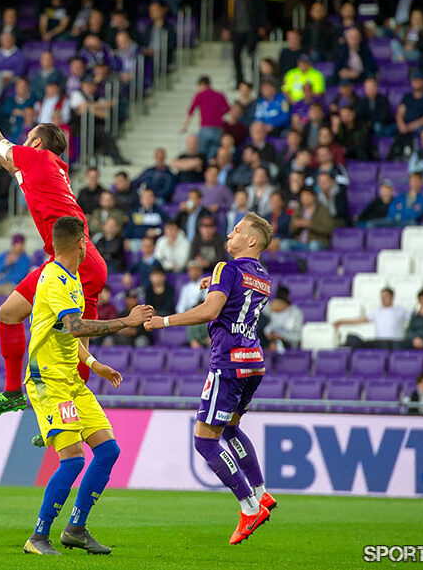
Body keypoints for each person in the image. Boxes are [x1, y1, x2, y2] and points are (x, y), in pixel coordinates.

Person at [0, 92, 110, 419]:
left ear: (36, 144)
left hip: (74, 262)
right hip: (80, 259)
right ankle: (43, 405)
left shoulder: (37, 159)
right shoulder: (43, 167)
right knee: (17, 316)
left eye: (28, 137)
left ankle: (46, 409)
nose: (22, 142)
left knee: (53, 331)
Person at [21, 216, 153, 555]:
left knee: (108, 451)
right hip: (48, 382)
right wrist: (126, 321)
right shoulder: (53, 279)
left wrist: (94, 364)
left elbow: (66, 332)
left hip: (71, 381)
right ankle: (38, 537)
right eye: (88, 242)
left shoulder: (73, 278)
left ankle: (76, 528)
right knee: (73, 460)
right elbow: (76, 326)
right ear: (81, 244)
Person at [144, 213, 276, 544]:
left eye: (237, 231)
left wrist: (164, 322)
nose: (229, 234)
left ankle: (249, 507)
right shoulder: (262, 276)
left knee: (204, 441)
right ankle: (261, 493)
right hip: (254, 361)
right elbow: (236, 296)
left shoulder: (226, 268)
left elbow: (209, 312)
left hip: (228, 362)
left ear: (252, 241)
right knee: (230, 428)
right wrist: (213, 282)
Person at [222, 0, 267, 87]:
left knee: (251, 55)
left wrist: (262, 25)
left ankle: (253, 80)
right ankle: (239, 81)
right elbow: (226, 12)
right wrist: (226, 28)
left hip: (250, 28)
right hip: (236, 29)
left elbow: (261, 8)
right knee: (236, 56)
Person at [336, 286, 410, 348]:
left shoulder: (401, 310)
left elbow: (414, 320)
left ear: (392, 297)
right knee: (354, 340)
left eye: (385, 297)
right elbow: (361, 320)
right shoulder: (377, 312)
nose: (383, 299)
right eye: (382, 297)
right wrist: (342, 321)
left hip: (396, 342)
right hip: (380, 342)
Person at [283, 186, 334, 251]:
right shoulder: (298, 210)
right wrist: (297, 225)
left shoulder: (323, 210)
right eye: (302, 196)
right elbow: (291, 230)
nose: (305, 198)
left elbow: (329, 229)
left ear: (314, 197)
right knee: (285, 244)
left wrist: (310, 224)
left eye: (307, 195)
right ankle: (290, 261)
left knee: (314, 245)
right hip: (299, 243)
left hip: (316, 242)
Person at [261, 285, 302, 350]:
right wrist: (270, 307)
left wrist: (281, 336)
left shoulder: (295, 312)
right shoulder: (270, 310)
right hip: (269, 343)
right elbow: (264, 329)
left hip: (288, 345)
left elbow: (298, 337)